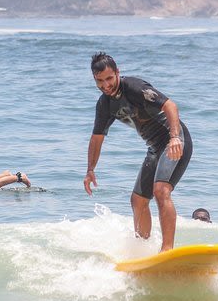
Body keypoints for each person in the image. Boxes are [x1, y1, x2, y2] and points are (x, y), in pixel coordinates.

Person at [83, 52, 193, 252]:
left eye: (109, 78)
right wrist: (90, 169)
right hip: (154, 148)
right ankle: (142, 249)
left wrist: (175, 137)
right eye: (100, 81)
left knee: (161, 190)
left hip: (175, 141)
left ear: (118, 72)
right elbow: (97, 137)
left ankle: (167, 249)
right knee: (138, 201)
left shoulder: (134, 88)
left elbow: (170, 105)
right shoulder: (104, 105)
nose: (106, 85)